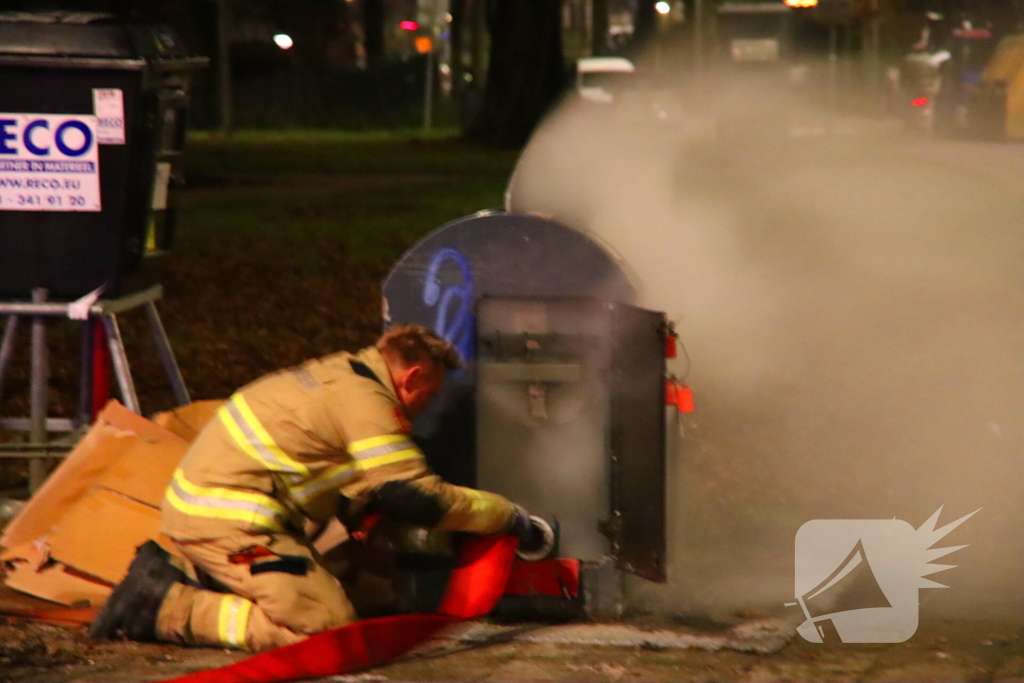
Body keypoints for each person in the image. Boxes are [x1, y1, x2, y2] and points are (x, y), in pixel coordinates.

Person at [90, 325, 549, 651]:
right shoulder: (366, 402)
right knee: (326, 630)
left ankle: (208, 576)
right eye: (427, 396)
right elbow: (411, 494)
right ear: (411, 378)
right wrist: (507, 517)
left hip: (235, 516)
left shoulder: (344, 376)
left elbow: (348, 483)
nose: (425, 410)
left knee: (372, 590)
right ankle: (166, 605)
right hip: (233, 526)